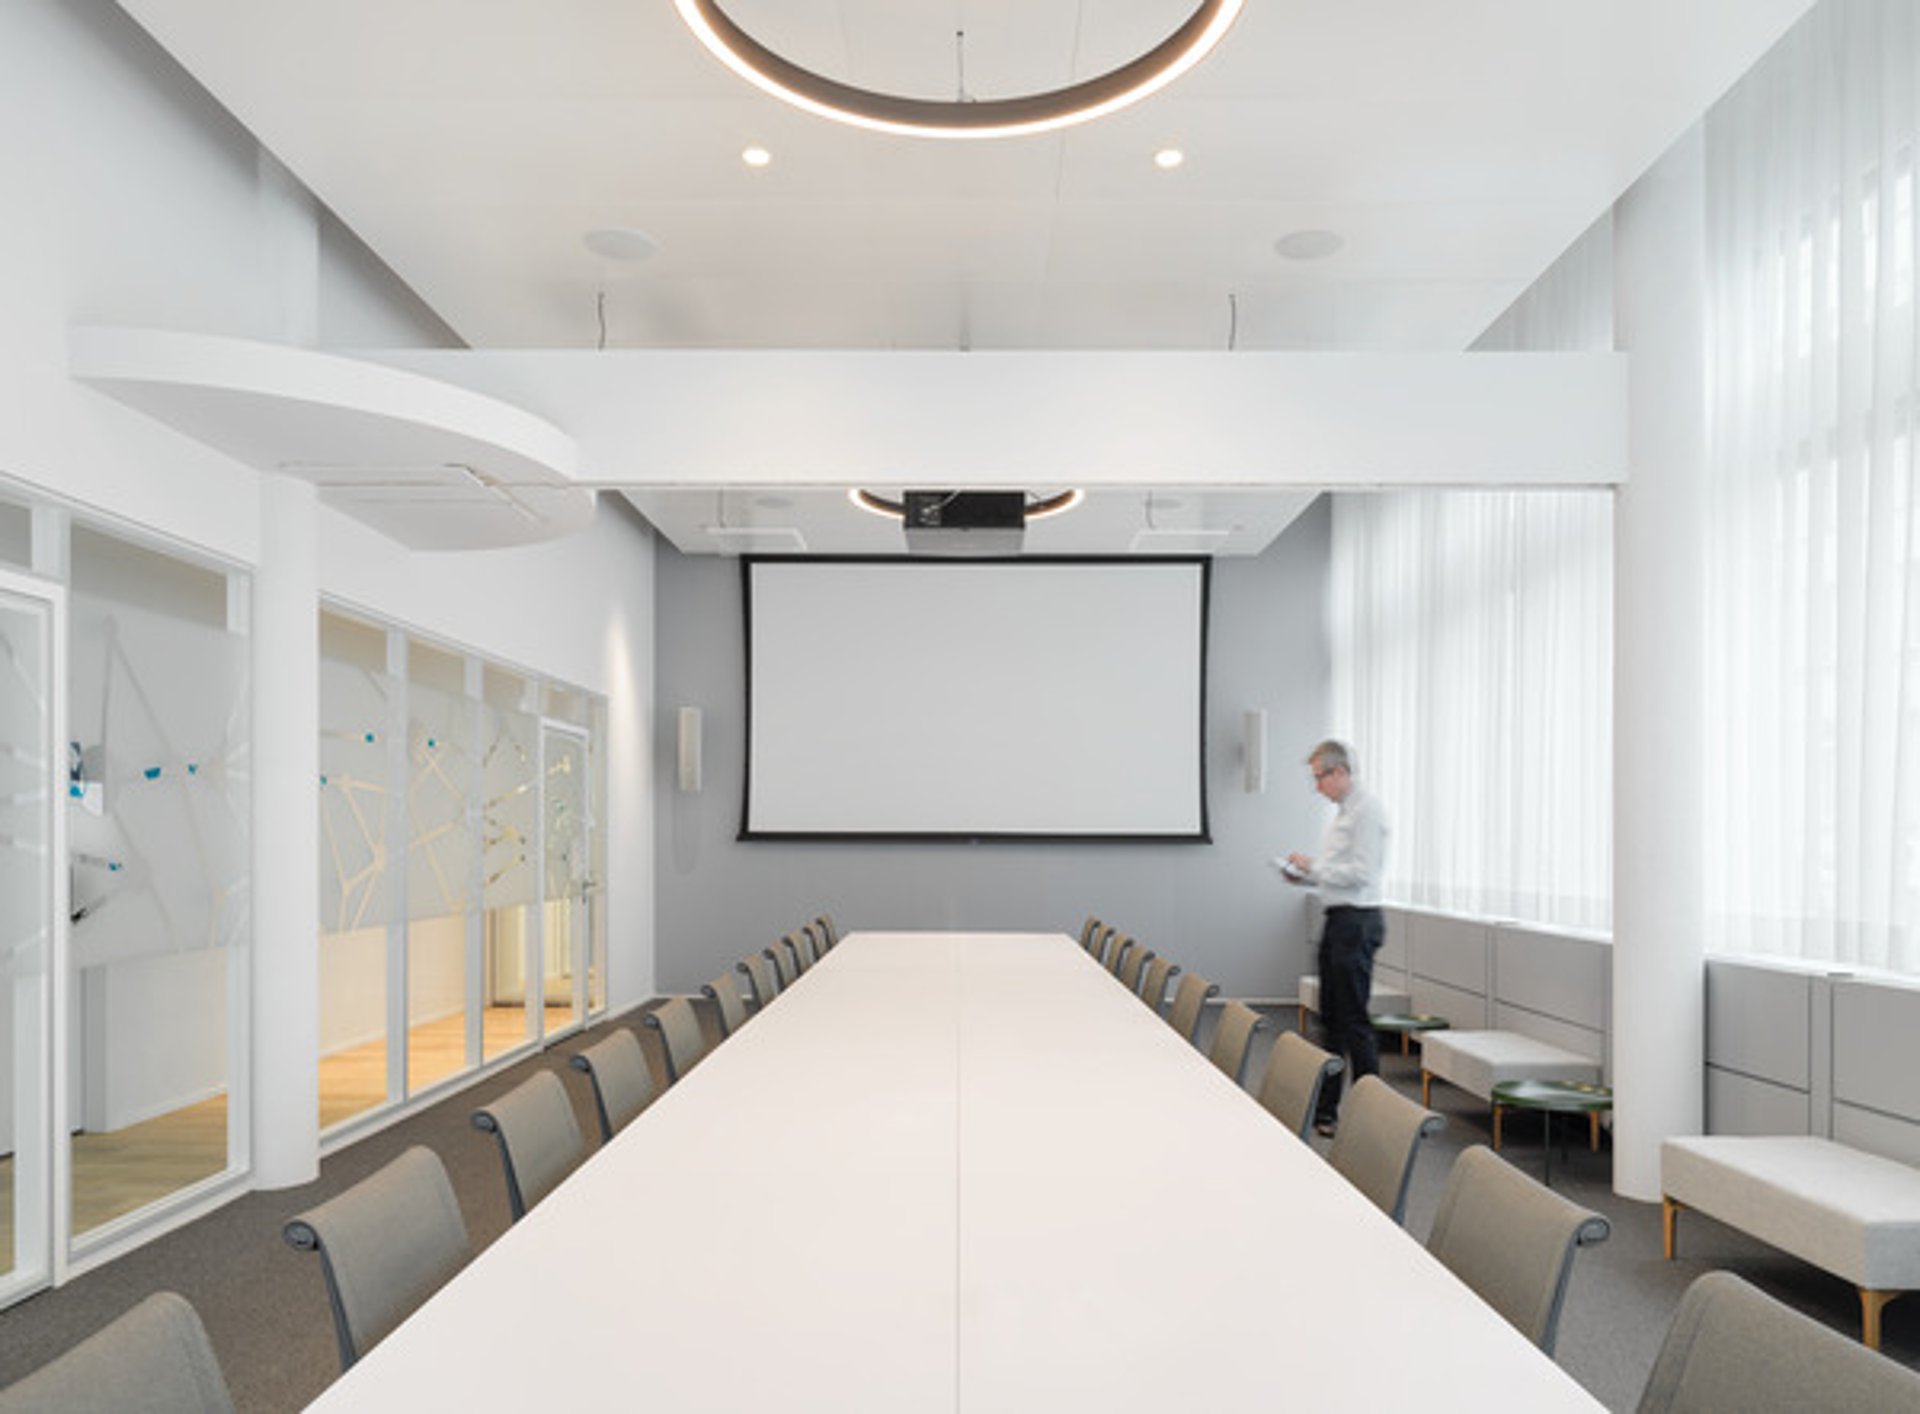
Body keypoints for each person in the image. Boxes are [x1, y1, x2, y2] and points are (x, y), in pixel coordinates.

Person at [1276, 739, 1389, 1136]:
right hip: (1339, 919)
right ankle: (1327, 1111)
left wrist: (1315, 866)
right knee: (1333, 1021)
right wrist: (1304, 874)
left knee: (1354, 1021)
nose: (1317, 786)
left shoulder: (1367, 812)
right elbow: (1337, 874)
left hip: (1357, 923)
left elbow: (1362, 874)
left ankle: (1372, 1118)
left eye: (1319, 777)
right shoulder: (1344, 814)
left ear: (1339, 772)